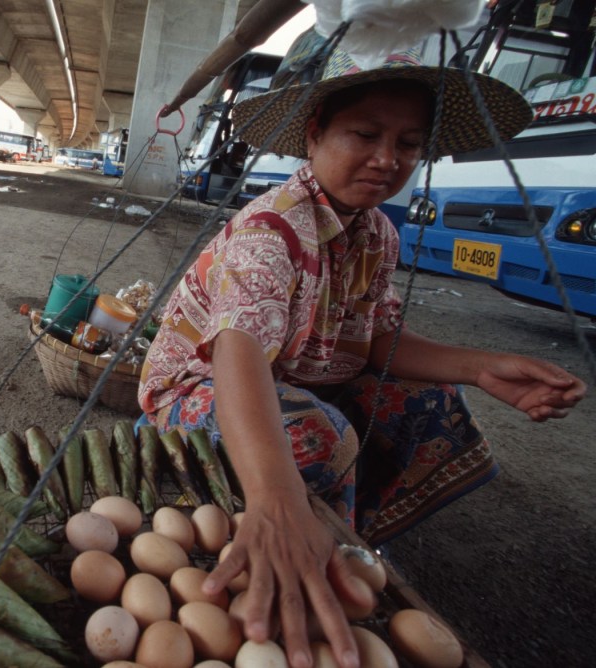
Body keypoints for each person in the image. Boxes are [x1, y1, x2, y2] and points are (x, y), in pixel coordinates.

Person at [137, 47, 586, 668]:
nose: (387, 159)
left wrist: (482, 369)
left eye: (408, 143)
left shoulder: (377, 232)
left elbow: (377, 342)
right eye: (366, 134)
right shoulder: (271, 230)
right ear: (316, 134)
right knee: (319, 435)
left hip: (298, 382)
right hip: (200, 391)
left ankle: (342, 544)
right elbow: (238, 353)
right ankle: (290, 536)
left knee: (432, 409)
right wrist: (272, 497)